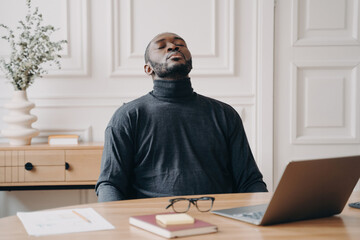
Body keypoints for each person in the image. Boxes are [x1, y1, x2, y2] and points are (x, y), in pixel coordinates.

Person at [95, 32, 267, 202]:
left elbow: (250, 181)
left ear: (190, 62)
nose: (173, 46)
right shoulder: (128, 116)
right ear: (148, 68)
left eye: (180, 44)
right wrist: (119, 226)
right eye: (161, 46)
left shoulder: (225, 114)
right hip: (151, 222)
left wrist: (263, 216)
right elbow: (110, 184)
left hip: (220, 218)